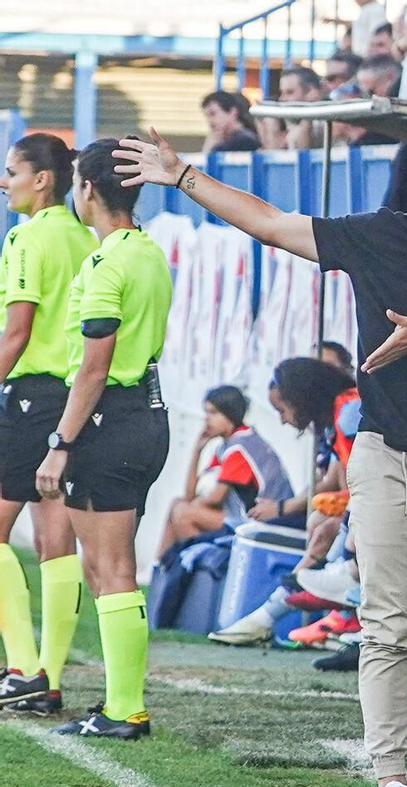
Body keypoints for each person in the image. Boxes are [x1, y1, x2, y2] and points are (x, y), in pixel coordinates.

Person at [117, 106, 407, 787]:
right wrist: (183, 175)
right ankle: (391, 783)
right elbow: (269, 223)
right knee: (385, 624)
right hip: (384, 455)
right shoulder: (375, 236)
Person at [37, 139, 172, 740]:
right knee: (107, 566)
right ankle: (119, 703)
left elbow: (93, 369)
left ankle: (126, 710)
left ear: (87, 188)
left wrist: (60, 441)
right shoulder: (147, 252)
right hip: (144, 415)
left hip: (107, 421)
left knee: (112, 568)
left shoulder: (105, 263)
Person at [0, 133, 98, 716]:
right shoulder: (85, 236)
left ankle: (21, 666)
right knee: (56, 541)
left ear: (41, 180)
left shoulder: (26, 236)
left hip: (32, 396)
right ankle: (49, 678)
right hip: (75, 398)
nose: (3, 182)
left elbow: (17, 331)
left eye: (11, 171)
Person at [210, 358, 363, 646]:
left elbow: (364, 482)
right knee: (321, 522)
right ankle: (316, 607)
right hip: (369, 507)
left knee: (325, 528)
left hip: (390, 508)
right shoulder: (337, 416)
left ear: (302, 398)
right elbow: (344, 481)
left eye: (282, 410)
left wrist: (286, 507)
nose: (282, 420)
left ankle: (319, 610)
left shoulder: (349, 414)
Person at [157, 385, 294, 555]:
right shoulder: (227, 445)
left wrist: (191, 505)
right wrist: (197, 450)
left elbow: (216, 498)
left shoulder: (240, 446)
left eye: (213, 413)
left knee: (183, 514)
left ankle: (205, 565)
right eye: (206, 412)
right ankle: (160, 567)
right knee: (178, 503)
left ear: (230, 414)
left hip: (267, 522)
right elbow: (189, 495)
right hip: (247, 518)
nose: (207, 419)